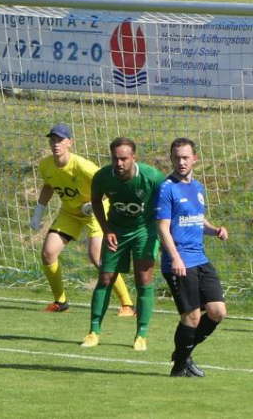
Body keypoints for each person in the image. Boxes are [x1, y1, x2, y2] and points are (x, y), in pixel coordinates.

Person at [30, 123, 134, 316]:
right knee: (48, 253)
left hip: (96, 212)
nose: (56, 144)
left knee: (97, 258)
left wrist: (93, 204)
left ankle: (128, 305)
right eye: (53, 140)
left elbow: (107, 183)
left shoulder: (83, 166)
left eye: (60, 140)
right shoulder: (46, 165)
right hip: (70, 213)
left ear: (70, 143)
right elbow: (48, 186)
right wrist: (39, 211)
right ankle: (60, 301)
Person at [81, 137, 165, 351]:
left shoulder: (152, 177)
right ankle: (93, 331)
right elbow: (96, 201)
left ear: (133, 158)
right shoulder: (102, 176)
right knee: (106, 277)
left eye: (124, 159)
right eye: (115, 159)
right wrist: (106, 229)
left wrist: (164, 233)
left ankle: (141, 335)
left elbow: (167, 202)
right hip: (116, 231)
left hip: (144, 231)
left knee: (143, 278)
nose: (119, 163)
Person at [156, 137, 227, 377]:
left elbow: (197, 220)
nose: (181, 162)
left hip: (200, 258)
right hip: (179, 261)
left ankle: (183, 355)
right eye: (176, 157)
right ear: (171, 158)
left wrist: (214, 229)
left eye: (185, 157)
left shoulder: (197, 187)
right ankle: (179, 368)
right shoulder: (167, 188)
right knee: (192, 316)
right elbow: (163, 228)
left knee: (217, 311)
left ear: (195, 158)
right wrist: (175, 258)